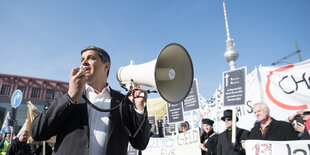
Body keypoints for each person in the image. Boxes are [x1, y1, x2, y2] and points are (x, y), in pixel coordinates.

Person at [31, 46, 151, 155]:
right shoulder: (66, 97)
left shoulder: (122, 102)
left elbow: (140, 143)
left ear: (106, 66)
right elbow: (37, 132)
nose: (84, 62)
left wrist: (139, 109)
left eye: (91, 58)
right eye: (82, 59)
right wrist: (70, 97)